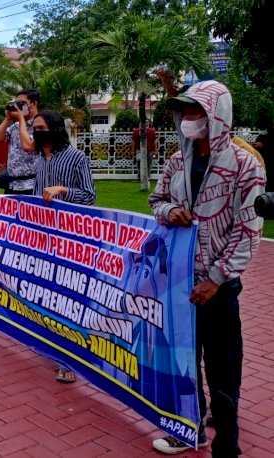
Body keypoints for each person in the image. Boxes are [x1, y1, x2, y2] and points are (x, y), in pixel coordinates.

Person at [148, 81, 265, 456]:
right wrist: (169, 212)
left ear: (216, 114)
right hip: (179, 280)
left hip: (218, 289)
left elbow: (249, 230)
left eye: (196, 111)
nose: (188, 119)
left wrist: (215, 280)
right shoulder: (178, 161)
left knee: (223, 370)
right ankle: (189, 430)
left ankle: (227, 447)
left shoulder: (246, 165)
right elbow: (157, 199)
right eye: (185, 112)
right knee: (184, 363)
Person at [31, 110, 96, 384]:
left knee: (66, 296)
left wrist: (63, 191)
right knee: (46, 292)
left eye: (41, 127)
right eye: (35, 128)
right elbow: (36, 192)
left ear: (55, 129)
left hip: (68, 239)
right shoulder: (38, 158)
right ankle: (52, 344)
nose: (37, 132)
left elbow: (90, 196)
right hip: (42, 236)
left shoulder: (77, 158)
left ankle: (68, 359)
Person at [0, 88, 40, 194]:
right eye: (17, 103)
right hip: (12, 184)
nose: (18, 106)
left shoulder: (40, 126)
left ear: (33, 104)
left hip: (32, 184)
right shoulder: (15, 126)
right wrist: (8, 118)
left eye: (22, 103)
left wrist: (21, 119)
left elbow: (28, 147)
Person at [252, 118, 273, 190]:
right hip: (262, 164)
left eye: (261, 128)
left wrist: (263, 146)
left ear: (267, 128)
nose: (260, 130)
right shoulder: (261, 136)